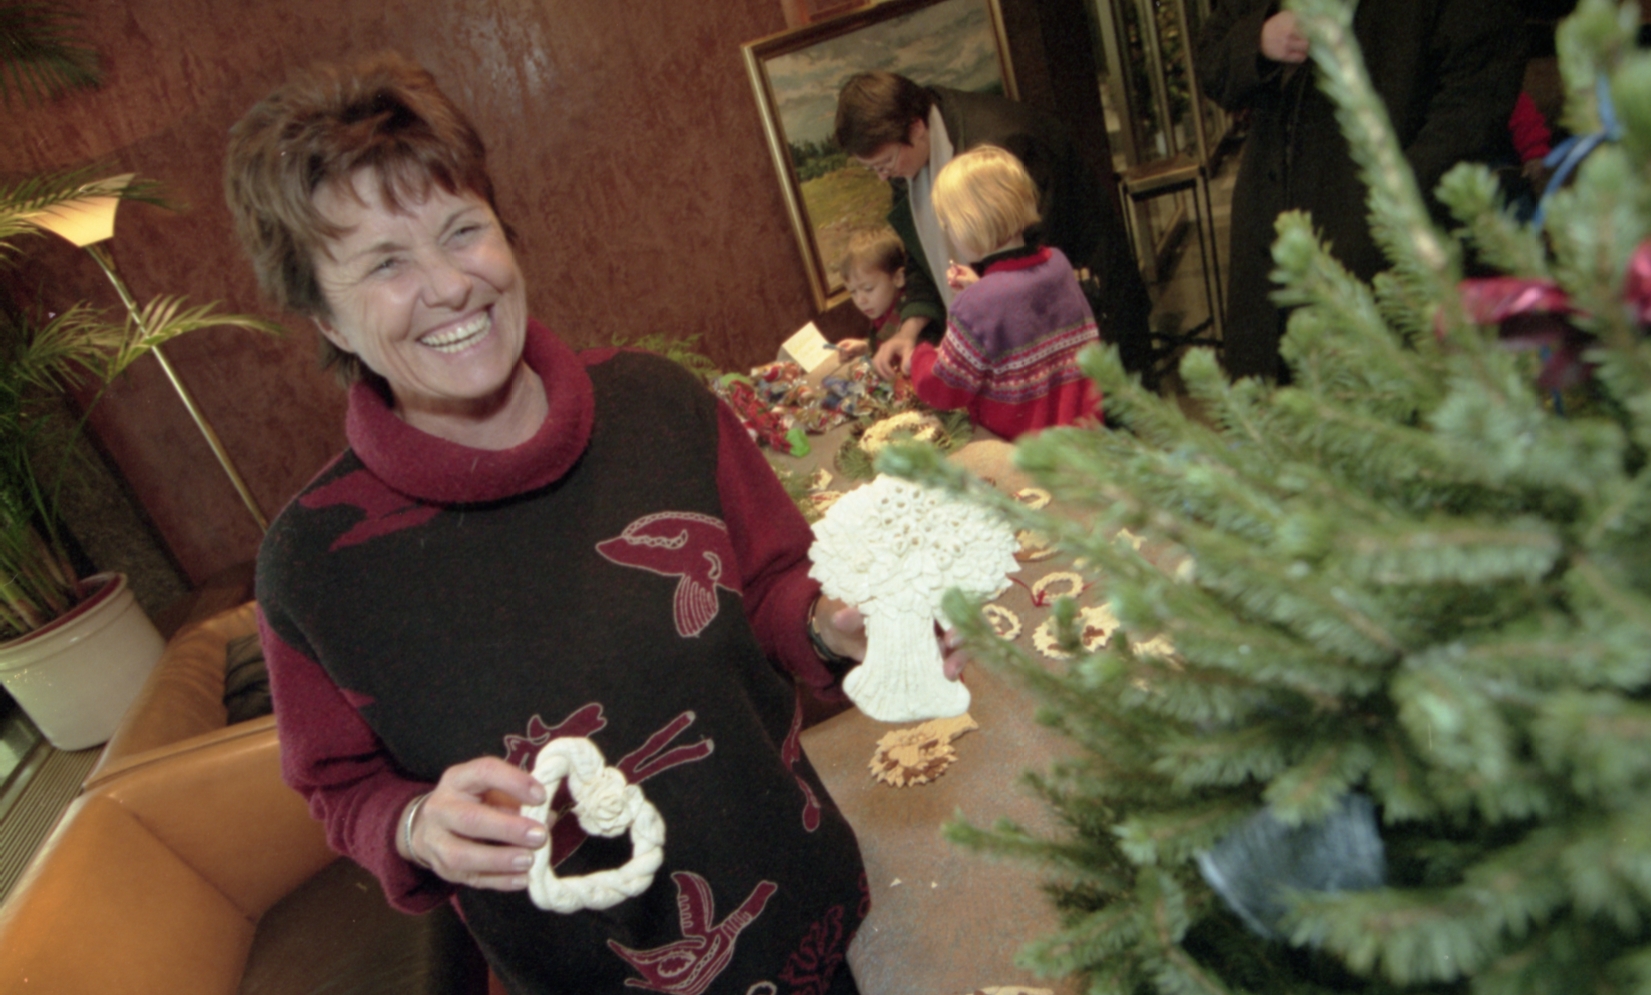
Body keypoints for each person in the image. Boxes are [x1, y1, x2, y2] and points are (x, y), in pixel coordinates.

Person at [223, 52, 958, 994]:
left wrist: (834, 623)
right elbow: (339, 785)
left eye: (461, 230)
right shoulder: (313, 566)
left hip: (792, 897)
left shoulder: (658, 405)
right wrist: (410, 825)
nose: (448, 285)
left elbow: (772, 584)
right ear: (326, 319)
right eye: (385, 263)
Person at [1196, 0, 1524, 381]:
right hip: (1268, 257)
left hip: (1390, 261)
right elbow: (1211, 60)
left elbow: (1476, 99)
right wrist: (1259, 38)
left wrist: (1390, 200)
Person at [832, 71, 1152, 384]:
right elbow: (921, 254)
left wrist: (968, 337)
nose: (883, 177)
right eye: (873, 168)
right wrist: (909, 329)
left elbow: (1034, 270)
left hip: (1090, 323)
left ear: (915, 128)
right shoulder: (905, 158)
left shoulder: (1003, 144)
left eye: (885, 164)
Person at [905, 145, 1101, 441]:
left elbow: (945, 388)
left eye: (948, 224)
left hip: (1021, 452)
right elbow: (1022, 313)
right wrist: (980, 285)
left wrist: (918, 356)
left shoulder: (976, 304)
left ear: (968, 223)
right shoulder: (1058, 262)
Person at [832, 226, 908, 362]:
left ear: (898, 278)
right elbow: (884, 342)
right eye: (853, 292)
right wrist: (866, 347)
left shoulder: (909, 317)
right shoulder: (883, 310)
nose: (860, 300)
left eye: (868, 289)